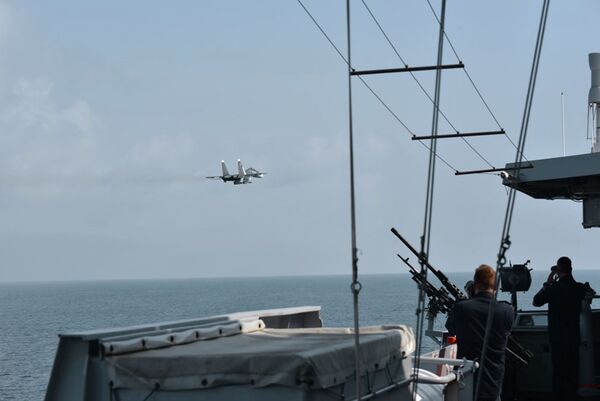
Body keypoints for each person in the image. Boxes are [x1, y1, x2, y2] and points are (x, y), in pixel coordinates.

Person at [446, 264, 514, 401]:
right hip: (493, 382)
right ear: (495, 287)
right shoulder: (507, 311)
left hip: (466, 379)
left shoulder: (460, 309)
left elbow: (451, 329)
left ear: (474, 285)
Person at [533, 256, 588, 401]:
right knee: (573, 372)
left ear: (558, 270)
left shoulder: (553, 289)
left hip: (557, 337)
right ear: (571, 269)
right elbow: (588, 294)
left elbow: (536, 302)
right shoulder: (579, 288)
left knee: (559, 372)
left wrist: (548, 283)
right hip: (573, 336)